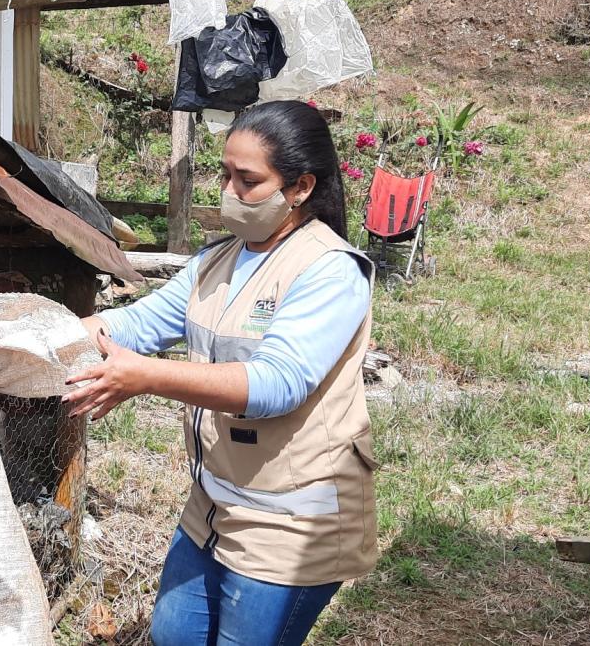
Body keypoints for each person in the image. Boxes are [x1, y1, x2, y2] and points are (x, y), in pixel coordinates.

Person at [63, 101, 378, 645]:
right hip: (213, 506)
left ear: (300, 187)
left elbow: (277, 384)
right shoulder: (216, 261)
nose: (229, 191)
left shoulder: (329, 271)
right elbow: (137, 324)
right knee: (173, 636)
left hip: (291, 523)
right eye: (225, 173)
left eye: (248, 180)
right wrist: (37, 334)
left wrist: (147, 378)